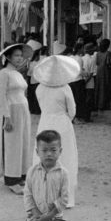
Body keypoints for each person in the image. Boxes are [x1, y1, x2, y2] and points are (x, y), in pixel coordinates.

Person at [33, 55, 80, 207]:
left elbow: (41, 106)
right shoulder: (65, 88)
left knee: (43, 157)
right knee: (65, 158)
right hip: (62, 123)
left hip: (45, 121)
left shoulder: (40, 88)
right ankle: (65, 198)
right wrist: (66, 117)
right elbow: (72, 110)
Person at [0, 43, 34, 195]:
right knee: (12, 144)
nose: (19, 58)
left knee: (23, 143)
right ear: (8, 57)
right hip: (12, 110)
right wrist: (7, 117)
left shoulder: (18, 73)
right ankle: (11, 179)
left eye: (20, 55)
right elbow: (2, 97)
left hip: (23, 109)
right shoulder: (4, 73)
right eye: (16, 55)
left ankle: (21, 174)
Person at [69, 43, 88, 123]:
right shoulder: (79, 59)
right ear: (80, 49)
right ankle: (78, 117)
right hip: (78, 81)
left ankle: (72, 117)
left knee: (73, 100)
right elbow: (79, 71)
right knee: (79, 100)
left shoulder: (70, 57)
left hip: (71, 81)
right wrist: (86, 73)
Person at [27, 43, 46, 115]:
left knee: (36, 96)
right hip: (35, 81)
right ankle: (35, 109)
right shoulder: (33, 63)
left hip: (36, 81)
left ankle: (36, 109)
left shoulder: (34, 63)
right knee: (35, 97)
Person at [95, 39, 111, 111]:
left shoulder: (97, 53)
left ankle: (98, 104)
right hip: (105, 70)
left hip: (99, 70)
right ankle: (103, 105)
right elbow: (108, 63)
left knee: (98, 87)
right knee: (105, 87)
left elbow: (97, 62)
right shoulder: (108, 53)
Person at [82, 43, 97, 120]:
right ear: (90, 50)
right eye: (93, 50)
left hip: (82, 81)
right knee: (89, 100)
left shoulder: (82, 58)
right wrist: (87, 81)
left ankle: (83, 116)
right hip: (90, 83)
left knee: (83, 100)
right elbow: (92, 73)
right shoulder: (91, 60)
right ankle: (87, 117)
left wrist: (83, 82)